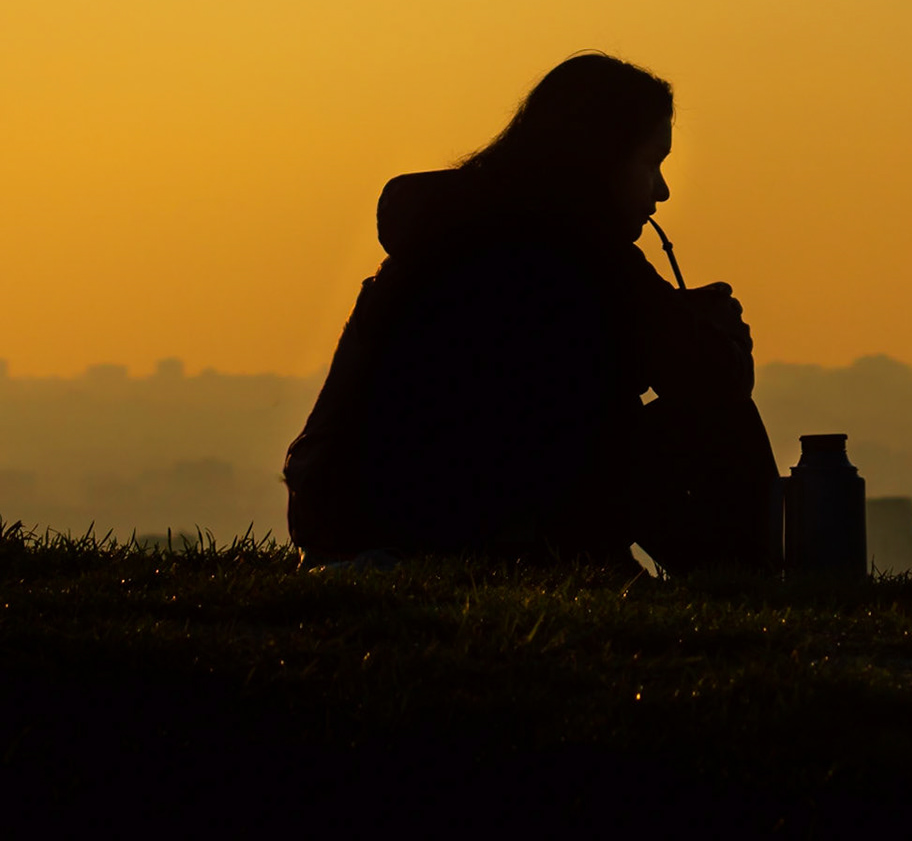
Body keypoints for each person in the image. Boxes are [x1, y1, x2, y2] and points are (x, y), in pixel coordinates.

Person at [284, 53, 781, 571]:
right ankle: (747, 589)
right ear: (603, 157)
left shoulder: (447, 231)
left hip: (338, 524)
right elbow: (711, 383)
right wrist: (721, 330)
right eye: (651, 162)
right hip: (455, 533)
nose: (661, 192)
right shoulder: (584, 250)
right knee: (716, 419)